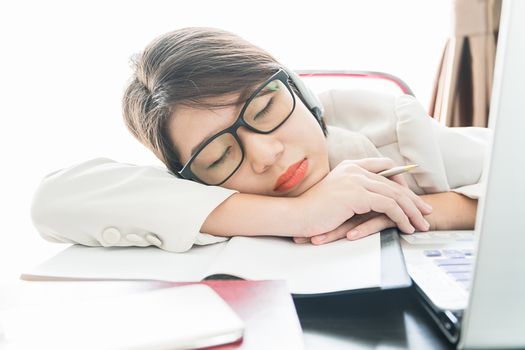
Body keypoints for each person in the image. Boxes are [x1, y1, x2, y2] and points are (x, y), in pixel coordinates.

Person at [30, 27, 490, 253]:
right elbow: (53, 200)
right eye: (219, 154)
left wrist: (406, 210)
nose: (266, 154)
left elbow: (509, 177)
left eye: (265, 110)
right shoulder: (194, 190)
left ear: (300, 91)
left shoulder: (389, 124)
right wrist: (300, 213)